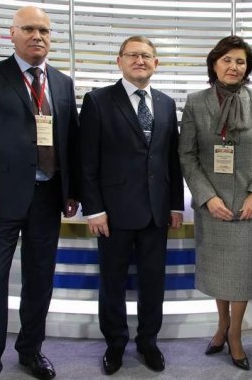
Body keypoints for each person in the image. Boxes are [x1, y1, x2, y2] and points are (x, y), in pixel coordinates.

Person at [0, 6, 80, 380]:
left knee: (40, 281)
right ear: (12, 34)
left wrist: (71, 190)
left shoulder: (62, 83)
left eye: (44, 30)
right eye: (28, 28)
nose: (37, 36)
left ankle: (30, 351)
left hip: (47, 198)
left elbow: (70, 140)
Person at [79, 36, 184, 375]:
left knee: (153, 282)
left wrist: (176, 205)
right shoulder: (97, 101)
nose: (140, 60)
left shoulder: (166, 103)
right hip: (113, 212)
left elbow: (171, 160)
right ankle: (115, 344)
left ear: (156, 63)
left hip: (156, 211)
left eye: (146, 56)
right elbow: (87, 160)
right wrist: (94, 209)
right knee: (113, 283)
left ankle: (148, 342)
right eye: (133, 55)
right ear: (119, 60)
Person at [178, 35, 252, 371]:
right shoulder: (196, 102)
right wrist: (207, 198)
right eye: (227, 60)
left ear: (247, 68)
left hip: (250, 206)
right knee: (220, 273)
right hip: (213, 207)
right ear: (214, 64)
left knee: (242, 275)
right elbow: (187, 154)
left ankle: (235, 334)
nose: (234, 67)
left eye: (240, 61)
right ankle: (221, 325)